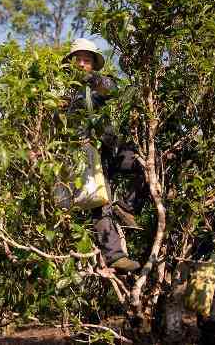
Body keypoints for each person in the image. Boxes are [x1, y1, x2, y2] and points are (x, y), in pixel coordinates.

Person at [61, 38, 144, 272]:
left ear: (93, 65)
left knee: (144, 166)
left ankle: (127, 207)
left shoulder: (101, 85)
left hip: (112, 148)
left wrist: (94, 81)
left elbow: (117, 90)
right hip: (89, 155)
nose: (81, 65)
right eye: (78, 60)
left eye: (86, 61)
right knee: (101, 203)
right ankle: (115, 256)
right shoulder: (64, 93)